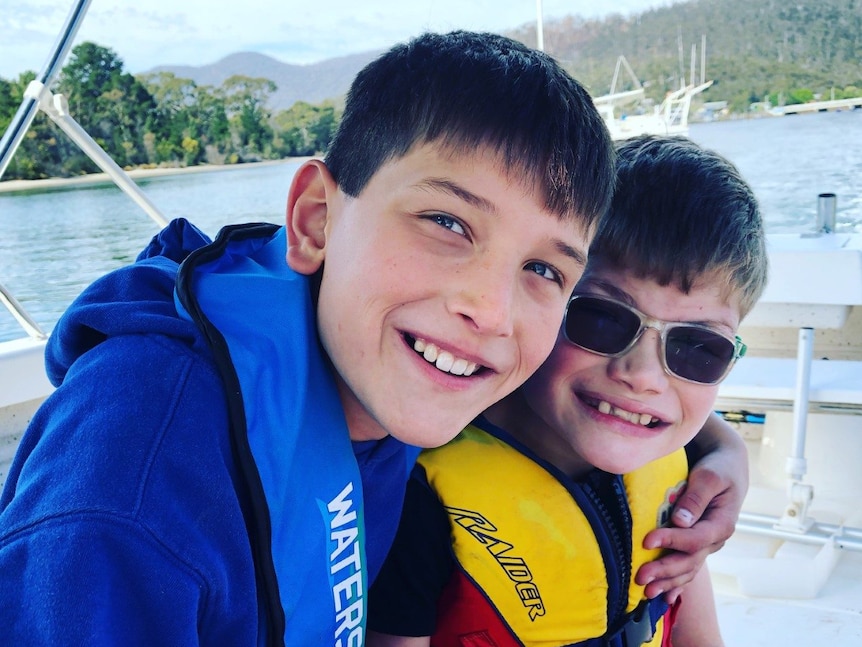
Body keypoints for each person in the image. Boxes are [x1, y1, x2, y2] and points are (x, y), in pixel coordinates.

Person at [0, 32, 743, 645]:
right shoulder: (133, 494)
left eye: (543, 269)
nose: (489, 309)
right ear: (317, 219)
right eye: (448, 223)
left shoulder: (403, 362)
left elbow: (613, 397)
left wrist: (722, 453)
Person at [366, 135, 768, 647]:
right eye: (600, 317)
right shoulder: (421, 499)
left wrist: (725, 447)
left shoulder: (677, 463)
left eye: (699, 348)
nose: (642, 376)